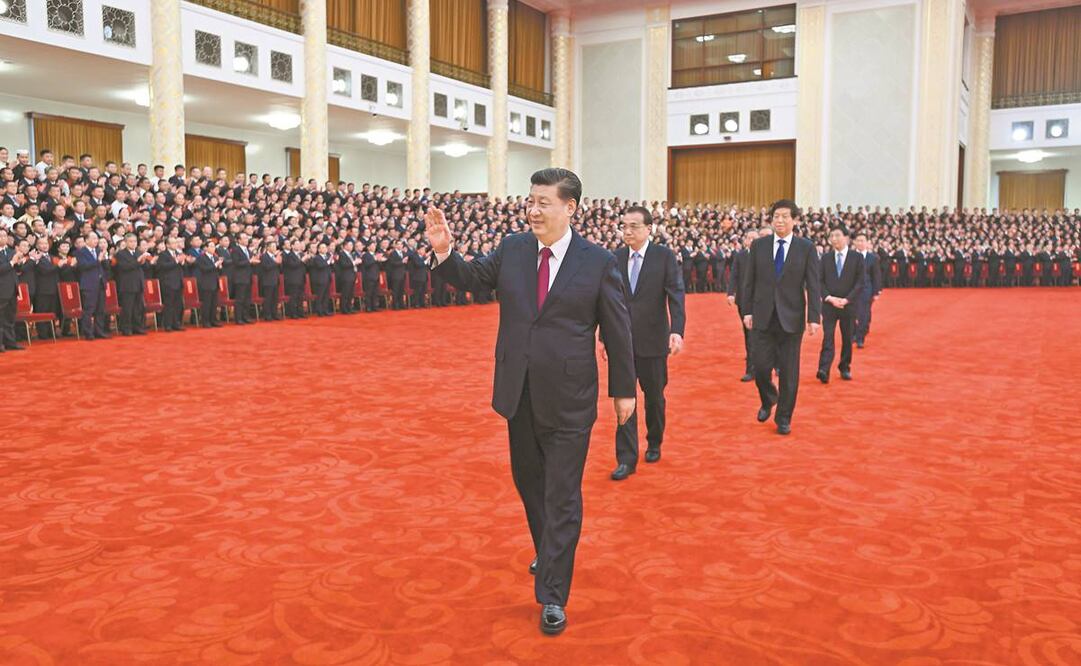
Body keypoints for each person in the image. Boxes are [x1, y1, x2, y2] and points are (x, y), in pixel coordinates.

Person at [425, 168, 636, 636]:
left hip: (570, 397)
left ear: (570, 207)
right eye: (530, 200)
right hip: (518, 391)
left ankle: (554, 594)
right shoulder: (514, 248)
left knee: (562, 495)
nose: (533, 209)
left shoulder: (597, 261)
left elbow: (617, 329)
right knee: (530, 482)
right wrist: (445, 251)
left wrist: (624, 389)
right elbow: (475, 278)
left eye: (543, 202)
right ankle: (549, 547)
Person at [605, 206, 685, 481]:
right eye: (624, 225)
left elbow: (675, 294)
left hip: (653, 340)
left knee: (654, 398)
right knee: (623, 399)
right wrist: (604, 337)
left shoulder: (663, 257)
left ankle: (654, 440)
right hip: (622, 342)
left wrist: (677, 330)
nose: (627, 231)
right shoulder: (613, 258)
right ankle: (626, 458)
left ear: (649, 228)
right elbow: (606, 302)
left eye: (634, 226)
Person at [739, 199, 821, 436]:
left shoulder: (805, 248)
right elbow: (749, 282)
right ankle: (768, 398)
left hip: (791, 318)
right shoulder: (759, 246)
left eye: (786, 216)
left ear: (795, 220)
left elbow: (813, 284)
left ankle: (784, 416)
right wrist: (747, 311)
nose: (780, 220)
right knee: (761, 367)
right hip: (763, 316)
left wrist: (814, 317)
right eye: (776, 216)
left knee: (788, 370)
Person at [816, 226, 863, 383]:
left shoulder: (857, 258)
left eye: (837, 235)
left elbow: (860, 282)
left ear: (846, 238)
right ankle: (823, 369)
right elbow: (819, 281)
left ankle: (845, 367)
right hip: (829, 305)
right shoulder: (826, 258)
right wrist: (829, 298)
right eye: (831, 236)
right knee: (828, 337)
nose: (834, 239)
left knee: (847, 338)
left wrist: (847, 299)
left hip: (848, 306)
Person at [727, 230, 757, 382]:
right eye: (748, 238)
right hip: (744, 301)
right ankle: (751, 368)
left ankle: (774, 364)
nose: (751, 240)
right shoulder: (740, 256)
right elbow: (734, 275)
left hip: (761, 301)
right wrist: (731, 293)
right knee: (749, 333)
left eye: (754, 238)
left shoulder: (765, 255)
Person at [74, 231, 111, 340]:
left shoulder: (99, 251)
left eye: (97, 239)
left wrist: (105, 259)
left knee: (101, 309)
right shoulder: (81, 252)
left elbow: (105, 267)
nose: (96, 241)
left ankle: (99, 331)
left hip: (100, 283)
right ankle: (88, 332)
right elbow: (83, 267)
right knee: (89, 309)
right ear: (86, 240)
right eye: (94, 239)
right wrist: (98, 260)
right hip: (89, 284)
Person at [112, 232, 148, 335]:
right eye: (131, 241)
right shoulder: (121, 254)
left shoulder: (138, 252)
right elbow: (124, 267)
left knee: (138, 307)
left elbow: (143, 267)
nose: (133, 243)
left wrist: (143, 261)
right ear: (126, 242)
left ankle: (137, 327)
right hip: (127, 284)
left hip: (138, 283)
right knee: (127, 308)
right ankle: (126, 328)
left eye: (135, 241)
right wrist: (138, 261)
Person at [853, 232, 881, 348]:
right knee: (851, 315)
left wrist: (876, 292)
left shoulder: (872, 258)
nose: (860, 243)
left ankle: (860, 338)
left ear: (867, 243)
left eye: (862, 240)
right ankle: (854, 333)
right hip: (851, 291)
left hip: (866, 290)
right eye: (858, 240)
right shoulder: (850, 256)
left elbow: (876, 275)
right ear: (854, 242)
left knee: (863, 315)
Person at [0, 227, 24, 351]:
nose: (3, 238)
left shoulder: (10, 251)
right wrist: (12, 262)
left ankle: (10, 342)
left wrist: (19, 262)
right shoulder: (10, 256)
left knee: (10, 318)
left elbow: (18, 270)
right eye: (0, 236)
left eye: (4, 236)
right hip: (1, 289)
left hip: (12, 289)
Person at [156, 236, 185, 331]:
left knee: (178, 305)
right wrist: (176, 261)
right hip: (168, 283)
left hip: (178, 282)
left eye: (176, 242)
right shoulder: (163, 254)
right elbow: (162, 266)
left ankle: (176, 323)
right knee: (169, 305)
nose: (175, 244)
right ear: (167, 244)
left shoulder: (178, 253)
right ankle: (168, 325)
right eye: (172, 243)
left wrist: (183, 262)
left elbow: (180, 267)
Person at [195, 237, 223, 327]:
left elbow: (216, 270)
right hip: (206, 283)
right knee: (206, 304)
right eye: (211, 246)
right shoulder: (201, 258)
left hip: (214, 282)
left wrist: (219, 267)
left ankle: (213, 319)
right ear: (206, 248)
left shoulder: (215, 257)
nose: (213, 248)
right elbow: (204, 269)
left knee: (214, 303)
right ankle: (205, 321)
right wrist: (215, 265)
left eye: (214, 246)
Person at [231, 233, 255, 324]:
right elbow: (236, 263)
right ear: (239, 240)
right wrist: (249, 261)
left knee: (247, 299)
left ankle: (245, 316)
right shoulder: (236, 250)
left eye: (247, 238)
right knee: (240, 299)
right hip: (240, 278)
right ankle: (238, 318)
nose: (246, 240)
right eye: (244, 238)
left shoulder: (247, 250)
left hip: (248, 277)